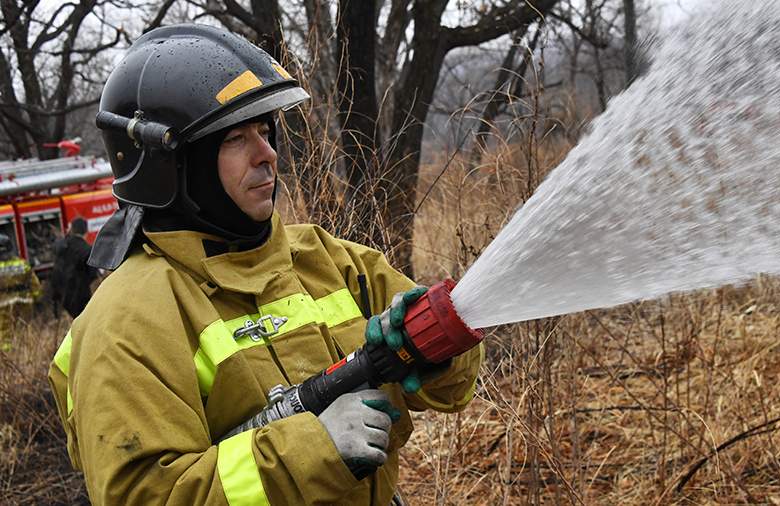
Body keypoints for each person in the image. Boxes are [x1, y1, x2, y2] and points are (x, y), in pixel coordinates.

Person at [47, 24, 482, 505]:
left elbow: (453, 391)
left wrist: (439, 352)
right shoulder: (126, 321)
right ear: (172, 164)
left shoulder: (327, 259)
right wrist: (312, 453)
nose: (267, 154)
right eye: (235, 138)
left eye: (265, 130)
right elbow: (149, 496)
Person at [49, 217, 97, 318]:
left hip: (62, 296)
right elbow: (93, 274)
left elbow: (55, 271)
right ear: (86, 232)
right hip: (80, 295)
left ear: (72, 230)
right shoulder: (87, 250)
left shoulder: (62, 246)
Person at [0, 233, 41, 350]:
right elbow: (35, 284)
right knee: (25, 329)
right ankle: (27, 353)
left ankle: (10, 358)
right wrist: (38, 299)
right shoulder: (22, 264)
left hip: (3, 305)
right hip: (25, 303)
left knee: (5, 332)